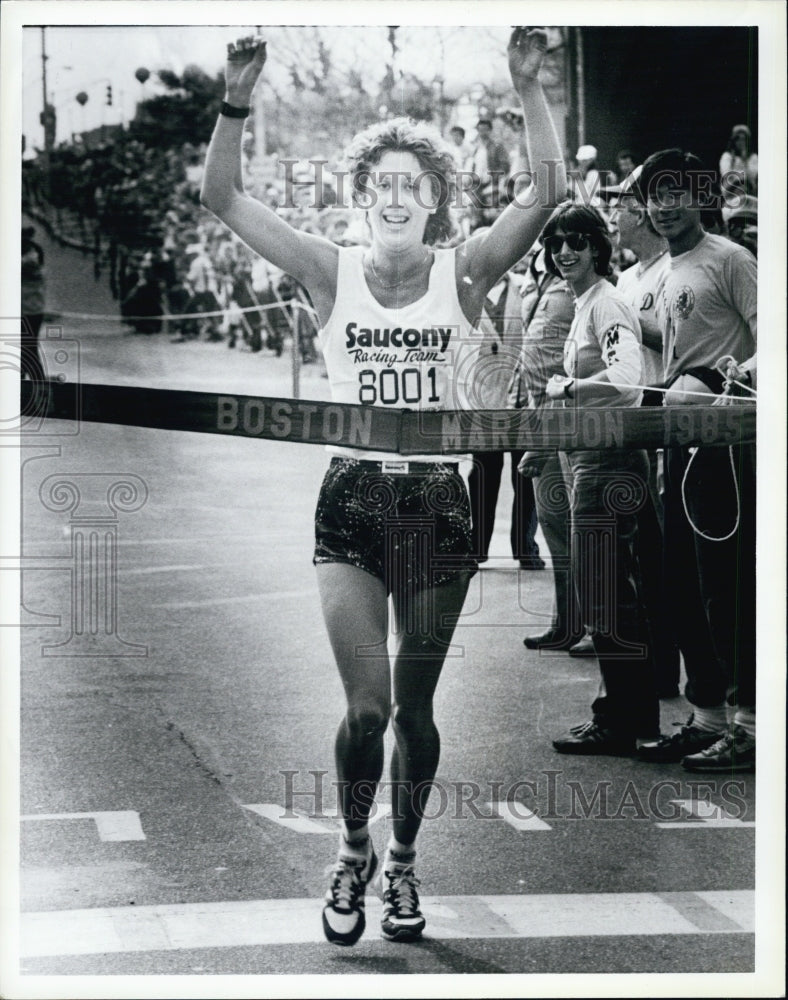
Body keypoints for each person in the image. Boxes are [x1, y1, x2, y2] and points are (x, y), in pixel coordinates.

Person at [201, 28, 564, 945]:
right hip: (353, 501)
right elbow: (223, 196)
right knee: (364, 713)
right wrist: (236, 99)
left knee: (414, 710)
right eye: (381, 182)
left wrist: (528, 91)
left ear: (436, 199)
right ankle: (351, 849)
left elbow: (548, 194)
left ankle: (402, 865)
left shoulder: (466, 269)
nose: (396, 194)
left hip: (438, 505)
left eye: (414, 182)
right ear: (360, 198)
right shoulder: (329, 270)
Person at [635, 148, 756, 772]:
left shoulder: (731, 259)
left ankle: (751, 724)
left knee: (726, 587)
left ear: (699, 197)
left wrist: (726, 377)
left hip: (726, 447)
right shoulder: (663, 270)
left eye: (678, 191)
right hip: (677, 445)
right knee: (682, 581)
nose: (665, 204)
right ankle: (707, 716)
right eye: (656, 194)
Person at [537, 202, 660, 755]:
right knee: (606, 595)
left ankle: (626, 720)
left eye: (577, 241)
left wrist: (566, 387)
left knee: (609, 597)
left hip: (608, 463)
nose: (566, 252)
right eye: (558, 243)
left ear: (599, 247)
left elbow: (629, 380)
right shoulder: (591, 302)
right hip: (588, 459)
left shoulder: (606, 304)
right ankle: (621, 713)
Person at [608, 166, 681, 698]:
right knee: (633, 556)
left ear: (643, 215)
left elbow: (682, 340)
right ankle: (650, 672)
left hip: (663, 413)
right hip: (625, 422)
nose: (614, 215)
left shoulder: (668, 271)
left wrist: (630, 329)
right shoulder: (625, 280)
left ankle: (676, 670)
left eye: (621, 205)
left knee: (664, 559)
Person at [515, 249, 585, 650]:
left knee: (575, 529)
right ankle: (567, 621)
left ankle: (590, 624)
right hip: (536, 412)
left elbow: (576, 362)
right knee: (554, 526)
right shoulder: (538, 270)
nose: (561, 249)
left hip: (564, 416)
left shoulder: (578, 285)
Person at [467, 249, 543, 570]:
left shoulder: (527, 289)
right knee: (483, 475)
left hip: (522, 396)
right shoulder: (467, 294)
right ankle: (476, 547)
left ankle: (524, 546)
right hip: (482, 398)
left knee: (524, 474)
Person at [21, 226, 46, 381]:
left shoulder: (29, 261)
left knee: (27, 348)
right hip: (32, 309)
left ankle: (38, 381)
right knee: (26, 347)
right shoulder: (34, 255)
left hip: (28, 310)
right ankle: (24, 379)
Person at [719, 123, 758, 198]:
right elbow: (726, 174)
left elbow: (752, 177)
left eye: (743, 139)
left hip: (749, 192)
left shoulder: (753, 157)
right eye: (738, 139)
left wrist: (745, 161)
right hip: (731, 192)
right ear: (734, 141)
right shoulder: (727, 156)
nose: (741, 142)